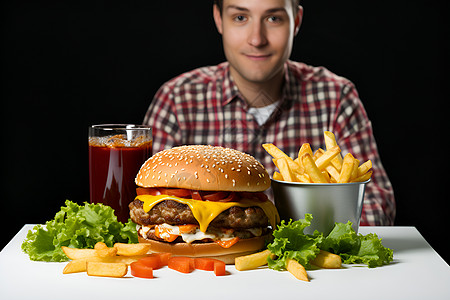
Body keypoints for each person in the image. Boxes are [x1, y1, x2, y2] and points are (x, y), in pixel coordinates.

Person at [143, 0, 395, 226]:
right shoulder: (176, 98)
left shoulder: (336, 96)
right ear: (219, 19)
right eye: (240, 17)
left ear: (296, 21)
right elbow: (144, 198)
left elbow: (377, 202)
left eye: (273, 18)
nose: (256, 39)